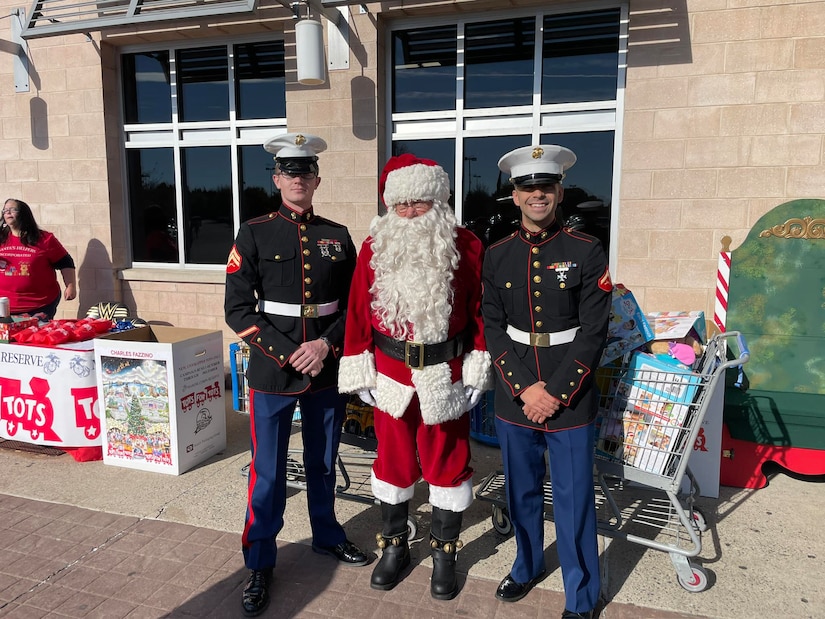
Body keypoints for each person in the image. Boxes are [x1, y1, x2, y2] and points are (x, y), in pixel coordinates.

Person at [224, 133, 368, 618]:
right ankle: (261, 560)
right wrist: (289, 353)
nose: (297, 180)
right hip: (273, 372)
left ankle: (327, 536)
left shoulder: (338, 234)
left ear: (317, 180)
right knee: (267, 474)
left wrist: (326, 344)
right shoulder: (254, 232)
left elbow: (355, 306)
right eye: (289, 172)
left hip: (324, 368)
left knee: (324, 462)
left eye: (305, 173)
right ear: (276, 180)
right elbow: (238, 309)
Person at [338, 153, 492, 600]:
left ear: (438, 200)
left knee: (448, 460)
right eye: (400, 204)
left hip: (448, 373)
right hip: (390, 373)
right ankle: (395, 545)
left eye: (418, 202)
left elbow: (482, 313)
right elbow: (357, 311)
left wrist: (478, 369)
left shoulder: (466, 245)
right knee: (393, 461)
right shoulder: (374, 246)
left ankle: (445, 553)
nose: (408, 212)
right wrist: (359, 364)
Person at [481, 144, 613, 619]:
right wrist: (523, 387)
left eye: (546, 187)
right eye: (527, 188)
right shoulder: (496, 255)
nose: (537, 194)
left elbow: (595, 329)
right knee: (521, 489)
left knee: (575, 499)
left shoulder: (586, 250)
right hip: (516, 394)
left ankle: (581, 596)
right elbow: (492, 325)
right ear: (514, 195)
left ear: (559, 191)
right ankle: (527, 564)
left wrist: (554, 392)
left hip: (570, 395)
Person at [0, 198, 76, 319]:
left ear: (24, 214)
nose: (8, 212)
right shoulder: (1, 238)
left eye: (13, 209)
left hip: (39, 305)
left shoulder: (45, 239)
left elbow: (65, 262)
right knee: (6, 338)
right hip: (4, 306)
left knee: (32, 336)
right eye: (5, 210)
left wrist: (70, 286)